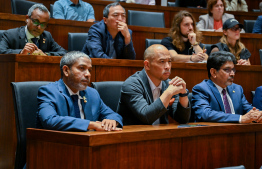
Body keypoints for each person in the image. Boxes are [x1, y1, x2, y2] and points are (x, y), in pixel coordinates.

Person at [37, 51, 123, 131]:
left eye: (89, 70)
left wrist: (112, 120)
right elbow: (49, 120)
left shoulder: (92, 93)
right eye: (82, 68)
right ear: (66, 70)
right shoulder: (49, 91)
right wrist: (91, 124)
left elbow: (113, 115)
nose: (88, 74)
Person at [117, 44, 191, 125]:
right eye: (162, 61)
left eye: (169, 61)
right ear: (147, 65)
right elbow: (146, 116)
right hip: (134, 135)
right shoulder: (131, 84)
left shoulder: (168, 84)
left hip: (159, 134)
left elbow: (182, 119)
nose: (167, 67)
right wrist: (168, 93)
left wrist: (183, 94)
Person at [192, 51, 262, 123]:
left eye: (233, 69)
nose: (232, 74)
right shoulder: (201, 89)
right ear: (213, 72)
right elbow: (205, 114)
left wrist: (258, 115)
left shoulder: (237, 89)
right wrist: (240, 118)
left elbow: (248, 109)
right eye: (227, 70)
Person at [0, 4, 66, 56]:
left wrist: (46, 54)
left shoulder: (47, 36)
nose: (39, 27)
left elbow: (64, 53)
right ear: (27, 18)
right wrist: (21, 52)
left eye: (43, 24)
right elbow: (1, 51)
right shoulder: (11, 34)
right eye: (36, 22)